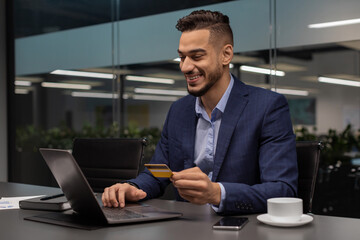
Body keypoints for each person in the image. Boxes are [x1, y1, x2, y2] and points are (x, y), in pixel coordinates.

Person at [102, 10, 298, 215]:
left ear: (226, 55)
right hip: (187, 228)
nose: (185, 67)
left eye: (196, 56)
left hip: (244, 229)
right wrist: (132, 188)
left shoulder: (267, 107)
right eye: (181, 57)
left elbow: (282, 190)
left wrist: (216, 193)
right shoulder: (179, 111)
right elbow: (157, 173)